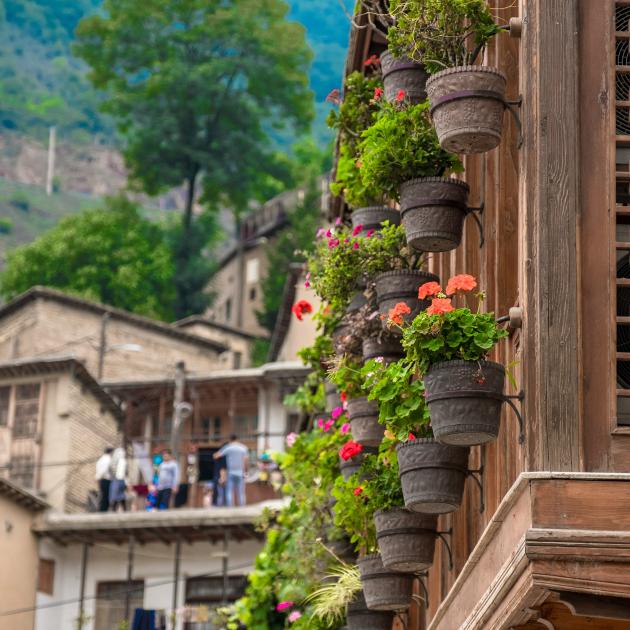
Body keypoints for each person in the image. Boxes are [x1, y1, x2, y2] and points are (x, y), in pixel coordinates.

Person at [214, 434, 249, 507]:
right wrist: (245, 471)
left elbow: (216, 455)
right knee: (241, 492)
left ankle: (230, 508)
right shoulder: (243, 448)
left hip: (230, 472)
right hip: (240, 472)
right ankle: (242, 507)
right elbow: (245, 461)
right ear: (237, 439)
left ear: (230, 439)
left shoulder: (228, 447)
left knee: (229, 491)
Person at [95, 447, 114, 512]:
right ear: (111, 452)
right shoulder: (108, 459)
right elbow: (104, 470)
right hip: (106, 480)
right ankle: (103, 510)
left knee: (103, 495)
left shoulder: (100, 460)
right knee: (106, 496)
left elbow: (98, 470)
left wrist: (97, 478)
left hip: (101, 480)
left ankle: (102, 509)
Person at [109, 447, 128, 512]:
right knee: (120, 496)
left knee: (117, 496)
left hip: (117, 480)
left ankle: (115, 509)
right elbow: (124, 473)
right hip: (120, 480)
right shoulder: (122, 461)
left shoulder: (115, 461)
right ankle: (122, 509)